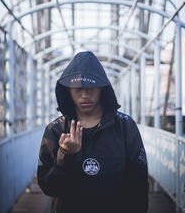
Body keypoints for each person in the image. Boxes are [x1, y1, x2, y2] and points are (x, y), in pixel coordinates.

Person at [37, 51, 149, 213]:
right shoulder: (56, 130)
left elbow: (138, 185)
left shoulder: (125, 127)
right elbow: (49, 187)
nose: (85, 94)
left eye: (91, 87)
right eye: (78, 88)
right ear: (68, 90)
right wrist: (65, 154)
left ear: (102, 88)